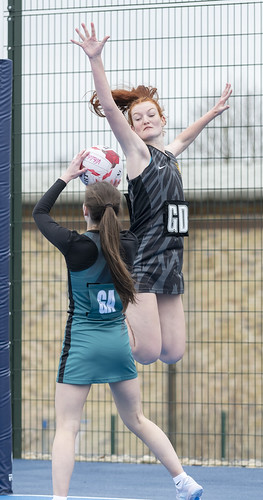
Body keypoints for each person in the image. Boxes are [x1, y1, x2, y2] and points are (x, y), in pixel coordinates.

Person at [33, 150, 204, 500]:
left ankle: (59, 498)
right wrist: (117, 184)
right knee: (138, 419)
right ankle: (184, 481)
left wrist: (66, 176)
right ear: (116, 210)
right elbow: (139, 216)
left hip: (82, 344)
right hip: (117, 343)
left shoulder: (74, 245)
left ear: (85, 211)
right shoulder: (129, 244)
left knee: (67, 427)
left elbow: (39, 213)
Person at [71, 22, 232, 366]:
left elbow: (184, 139)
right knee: (144, 352)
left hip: (172, 262)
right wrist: (95, 60)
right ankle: (96, 330)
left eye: (151, 114)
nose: (145, 120)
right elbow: (113, 111)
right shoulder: (138, 155)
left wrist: (211, 113)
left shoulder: (168, 156)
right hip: (144, 261)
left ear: (162, 118)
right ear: (131, 129)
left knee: (172, 353)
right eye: (137, 118)